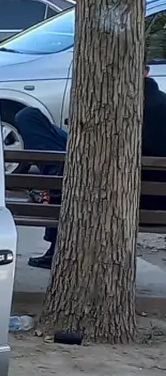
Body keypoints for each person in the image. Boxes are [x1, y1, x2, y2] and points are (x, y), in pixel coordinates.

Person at [16, 63, 166, 268]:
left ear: (145, 71)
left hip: (123, 190)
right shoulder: (154, 102)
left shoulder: (124, 107)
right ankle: (58, 177)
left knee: (31, 123)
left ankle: (57, 182)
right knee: (30, 116)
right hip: (123, 180)